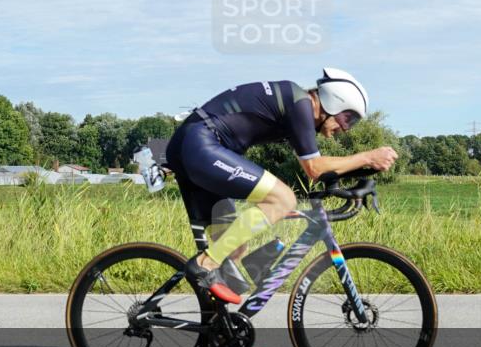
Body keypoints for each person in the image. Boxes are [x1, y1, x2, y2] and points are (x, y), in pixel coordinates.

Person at [164, 67, 399, 304]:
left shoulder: (296, 105)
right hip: (201, 144)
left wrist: (364, 173)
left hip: (197, 146)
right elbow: (315, 168)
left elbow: (320, 170)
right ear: (334, 101)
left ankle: (214, 324)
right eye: (348, 118)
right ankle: (204, 264)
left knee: (233, 249)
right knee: (283, 199)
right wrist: (368, 157)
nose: (346, 128)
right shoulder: (300, 105)